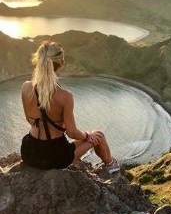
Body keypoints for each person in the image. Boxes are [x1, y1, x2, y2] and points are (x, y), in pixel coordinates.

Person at [20, 40, 120, 173]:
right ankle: (111, 165)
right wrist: (88, 135)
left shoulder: (26, 87)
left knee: (92, 136)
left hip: (29, 152)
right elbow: (72, 132)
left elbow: (30, 120)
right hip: (55, 157)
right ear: (61, 63)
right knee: (99, 136)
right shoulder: (65, 96)